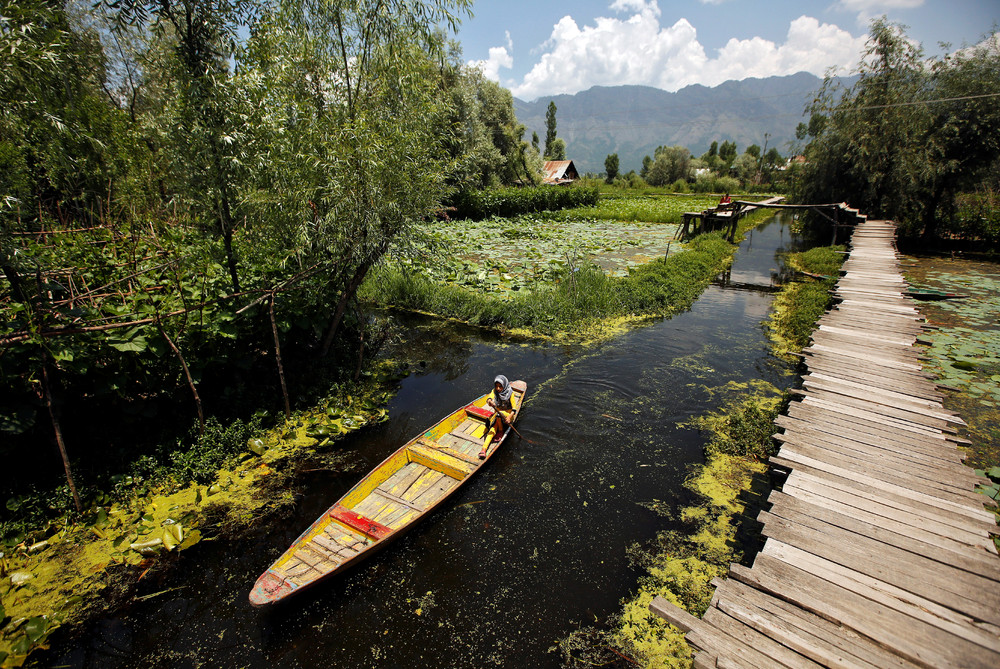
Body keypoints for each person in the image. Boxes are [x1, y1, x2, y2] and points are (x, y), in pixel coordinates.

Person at [480, 375, 514, 459]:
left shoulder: (510, 393)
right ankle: (483, 450)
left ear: (504, 386)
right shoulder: (494, 391)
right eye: (496, 386)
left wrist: (509, 417)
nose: (498, 388)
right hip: (498, 416)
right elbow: (489, 398)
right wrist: (490, 401)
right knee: (491, 431)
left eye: (500, 386)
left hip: (507, 415)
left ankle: (501, 431)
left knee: (500, 414)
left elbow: (514, 409)